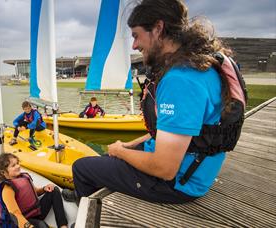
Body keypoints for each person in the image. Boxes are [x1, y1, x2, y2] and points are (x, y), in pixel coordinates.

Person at [63, 0, 237, 204]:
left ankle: (84, 208)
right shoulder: (202, 63)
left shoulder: (179, 80)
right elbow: (180, 130)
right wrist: (131, 144)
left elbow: (164, 168)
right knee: (107, 159)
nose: (134, 45)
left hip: (178, 184)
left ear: (158, 28)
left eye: (136, 35)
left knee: (82, 168)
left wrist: (120, 150)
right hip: (196, 168)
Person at [0, 153, 68, 228]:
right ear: (3, 172)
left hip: (37, 211)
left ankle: (63, 225)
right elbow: (15, 213)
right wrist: (28, 226)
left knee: (54, 190)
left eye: (17, 163)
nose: (18, 166)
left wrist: (44, 189)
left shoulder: (24, 176)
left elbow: (34, 192)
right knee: (43, 225)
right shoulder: (7, 188)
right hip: (24, 219)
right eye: (13, 165)